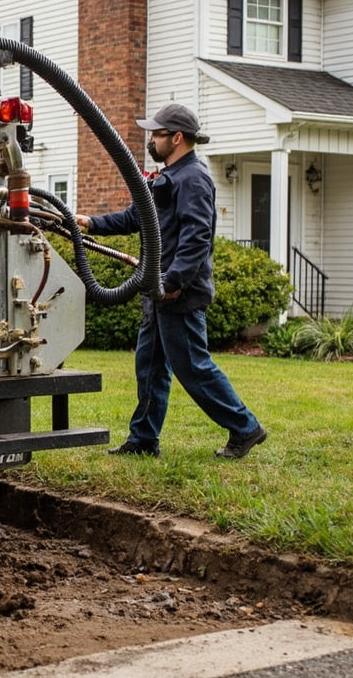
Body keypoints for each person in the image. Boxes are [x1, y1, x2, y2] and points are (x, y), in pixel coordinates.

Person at [75, 104, 267, 459]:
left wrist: (175, 281)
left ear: (176, 137)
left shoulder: (193, 178)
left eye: (157, 134)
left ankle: (245, 427)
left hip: (178, 292)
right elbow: (137, 217)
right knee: (149, 367)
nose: (151, 139)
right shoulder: (169, 176)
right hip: (157, 289)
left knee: (193, 367)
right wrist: (91, 223)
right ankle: (143, 440)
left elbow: (197, 237)